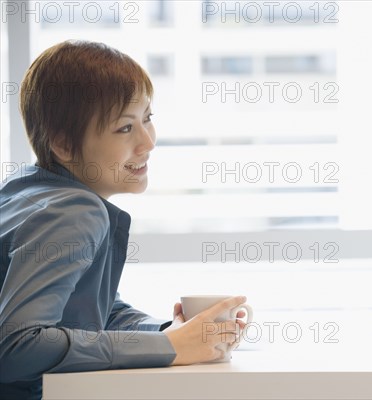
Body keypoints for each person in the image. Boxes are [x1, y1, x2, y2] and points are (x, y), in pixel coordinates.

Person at [0, 40, 248, 400]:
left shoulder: (25, 189)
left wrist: (177, 333)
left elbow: (91, 313)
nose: (148, 142)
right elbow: (17, 346)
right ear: (64, 145)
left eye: (147, 119)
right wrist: (169, 347)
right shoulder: (75, 212)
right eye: (124, 128)